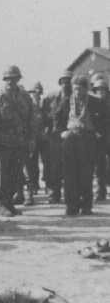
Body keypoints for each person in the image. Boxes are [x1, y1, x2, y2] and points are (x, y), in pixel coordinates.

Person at [0, 65, 33, 217]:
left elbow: (31, 119)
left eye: (14, 78)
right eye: (8, 79)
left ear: (18, 79)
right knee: (1, 176)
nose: (11, 81)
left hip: (19, 143)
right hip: (2, 144)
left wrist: (31, 139)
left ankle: (10, 204)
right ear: (5, 80)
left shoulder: (25, 96)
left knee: (15, 175)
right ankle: (3, 205)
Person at [54, 75, 104, 215]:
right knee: (70, 174)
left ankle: (86, 206)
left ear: (86, 89)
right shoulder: (65, 102)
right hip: (70, 140)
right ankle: (71, 206)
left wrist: (98, 133)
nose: (77, 92)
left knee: (86, 174)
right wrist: (62, 132)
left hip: (88, 140)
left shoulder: (95, 102)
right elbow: (56, 119)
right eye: (75, 89)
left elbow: (105, 120)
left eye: (80, 89)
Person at [45, 70, 73, 203]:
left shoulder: (75, 98)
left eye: (68, 82)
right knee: (54, 167)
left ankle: (70, 195)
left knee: (70, 167)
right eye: (63, 82)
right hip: (55, 138)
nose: (66, 84)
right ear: (60, 83)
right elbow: (47, 117)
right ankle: (54, 194)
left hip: (71, 137)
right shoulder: (52, 98)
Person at [93, 79, 110, 201]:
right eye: (98, 90)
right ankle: (100, 191)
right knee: (99, 166)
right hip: (99, 139)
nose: (100, 92)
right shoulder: (94, 104)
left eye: (102, 90)